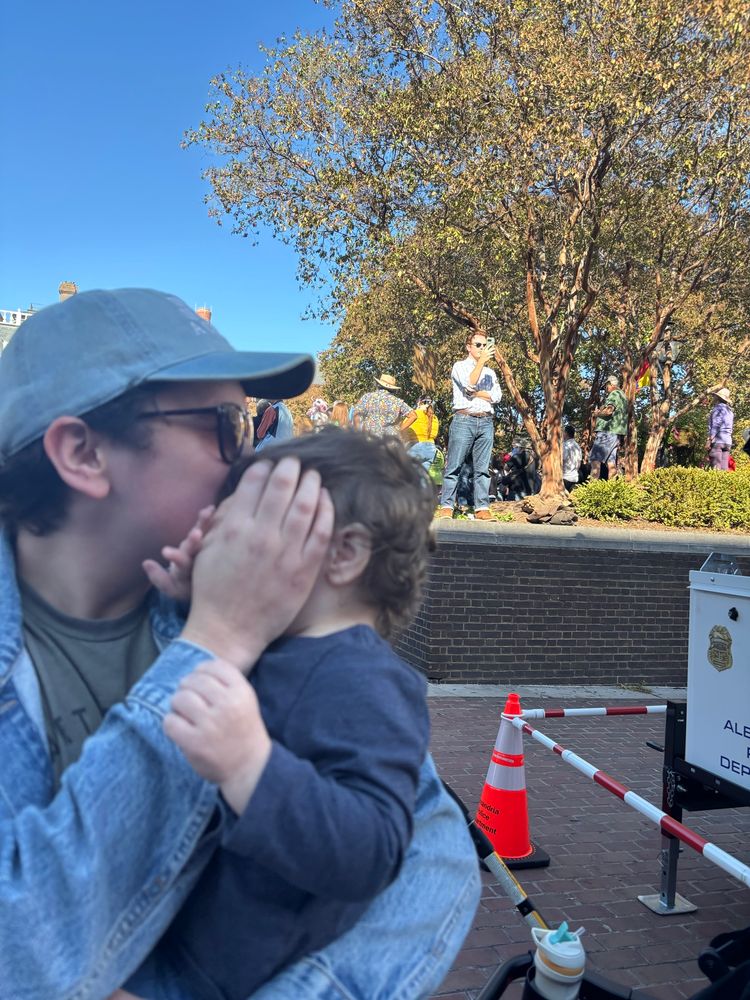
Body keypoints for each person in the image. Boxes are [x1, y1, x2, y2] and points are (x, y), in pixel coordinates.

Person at [0, 288, 480, 999]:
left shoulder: (244, 604)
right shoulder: (233, 612)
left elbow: (428, 845)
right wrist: (219, 639)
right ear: (83, 452)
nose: (251, 456)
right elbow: (21, 955)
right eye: (225, 425)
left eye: (252, 422)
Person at [119, 429, 436, 1000]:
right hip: (175, 938)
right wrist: (191, 599)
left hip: (221, 977)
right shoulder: (279, 642)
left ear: (343, 554)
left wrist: (251, 768)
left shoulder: (368, 682)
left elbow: (373, 849)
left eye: (254, 523)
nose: (223, 533)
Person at [436, 332, 502, 520]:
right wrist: (480, 366)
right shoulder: (460, 366)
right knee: (454, 465)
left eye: (484, 345)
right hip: (464, 419)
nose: (482, 348)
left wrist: (476, 393)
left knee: (482, 468)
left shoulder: (491, 373)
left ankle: (482, 508)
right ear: (469, 347)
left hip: (486, 421)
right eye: (478, 345)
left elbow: (497, 396)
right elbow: (468, 385)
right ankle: (447, 505)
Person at [589, 374, 627, 480]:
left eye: (606, 387)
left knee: (595, 459)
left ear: (610, 384)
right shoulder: (623, 396)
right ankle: (612, 490)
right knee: (611, 463)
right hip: (616, 434)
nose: (606, 390)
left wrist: (597, 413)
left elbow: (609, 411)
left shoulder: (614, 394)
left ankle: (592, 489)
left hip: (607, 432)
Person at [407, 396, 440, 471]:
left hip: (415, 446)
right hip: (431, 449)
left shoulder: (414, 414)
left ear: (419, 403)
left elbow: (406, 430)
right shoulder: (434, 417)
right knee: (422, 478)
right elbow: (434, 435)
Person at [706, 387, 734, 470]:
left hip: (718, 441)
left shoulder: (717, 409)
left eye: (715, 396)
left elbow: (715, 426)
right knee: (724, 469)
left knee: (716, 469)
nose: (713, 398)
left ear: (718, 398)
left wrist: (709, 440)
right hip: (727, 442)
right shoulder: (730, 411)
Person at [562, 424, 583, 492]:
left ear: (566, 433)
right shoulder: (577, 446)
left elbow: (560, 461)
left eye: (563, 432)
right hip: (575, 478)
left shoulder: (564, 446)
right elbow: (579, 463)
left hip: (564, 478)